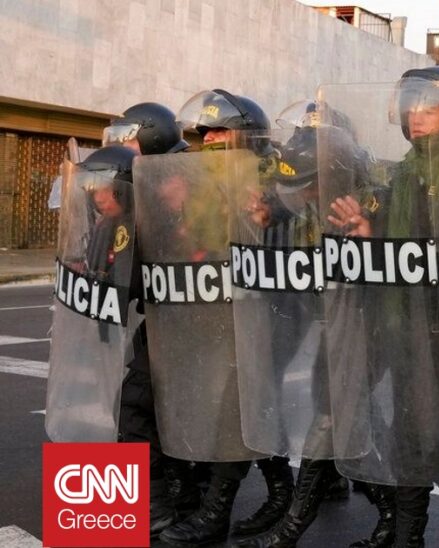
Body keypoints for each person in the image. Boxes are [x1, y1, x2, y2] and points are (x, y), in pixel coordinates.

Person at [327, 67, 439, 548]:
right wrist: (368, 232)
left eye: (429, 107)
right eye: (411, 106)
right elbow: (398, 250)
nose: (416, 116)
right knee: (413, 431)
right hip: (401, 319)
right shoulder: (405, 172)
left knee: (413, 434)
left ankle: (407, 536)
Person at [157, 89, 293, 547]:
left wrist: (270, 213)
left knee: (235, 408)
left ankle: (216, 511)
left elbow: (297, 223)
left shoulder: (273, 176)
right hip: (220, 309)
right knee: (253, 406)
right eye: (206, 132)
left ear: (247, 136)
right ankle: (283, 493)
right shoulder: (206, 182)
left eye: (221, 130)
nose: (211, 138)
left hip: (271, 312)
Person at [233, 100, 372, 548]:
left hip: (361, 318)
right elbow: (285, 204)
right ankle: (348, 488)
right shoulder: (300, 181)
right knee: (326, 399)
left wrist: (369, 234)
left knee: (334, 408)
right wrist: (265, 214)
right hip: (314, 305)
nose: (306, 193)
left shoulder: (368, 190)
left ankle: (295, 521)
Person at [101, 102, 200, 537]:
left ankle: (152, 506)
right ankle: (183, 494)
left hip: (191, 319)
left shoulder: (183, 188)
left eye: (129, 140)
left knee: (137, 407)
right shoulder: (147, 187)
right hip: (163, 316)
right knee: (158, 409)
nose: (122, 147)